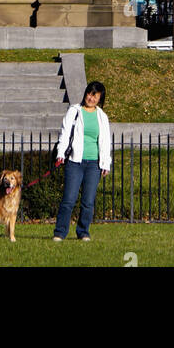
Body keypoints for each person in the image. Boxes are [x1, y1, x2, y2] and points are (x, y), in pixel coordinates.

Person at [52, 81, 111, 241]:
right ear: (86, 93)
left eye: (95, 96)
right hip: (75, 161)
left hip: (94, 164)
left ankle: (83, 231)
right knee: (69, 199)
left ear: (100, 99)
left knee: (88, 201)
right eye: (90, 94)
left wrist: (106, 163)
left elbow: (105, 141)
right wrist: (61, 153)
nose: (91, 98)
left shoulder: (102, 116)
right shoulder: (74, 111)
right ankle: (60, 232)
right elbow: (65, 133)